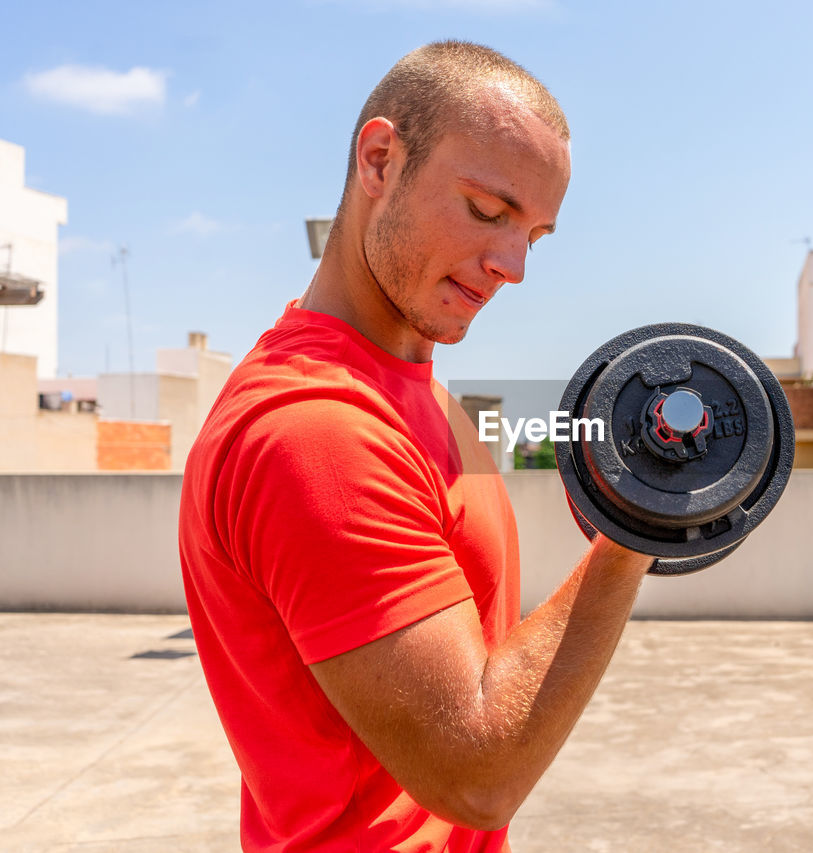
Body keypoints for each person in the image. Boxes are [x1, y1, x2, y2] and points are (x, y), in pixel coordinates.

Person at [179, 41, 654, 852]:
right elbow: (476, 774)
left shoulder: (419, 388)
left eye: (534, 234)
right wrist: (637, 527)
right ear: (379, 161)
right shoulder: (316, 430)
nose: (512, 265)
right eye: (486, 209)